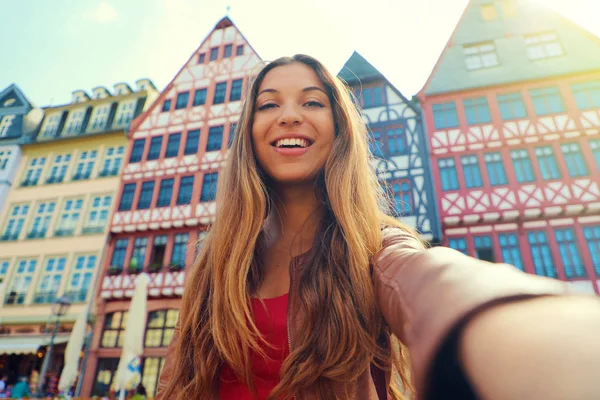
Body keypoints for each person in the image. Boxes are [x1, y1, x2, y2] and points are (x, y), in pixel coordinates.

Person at [156, 54, 600, 400]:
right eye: (268, 104)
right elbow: (175, 381)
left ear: (340, 129)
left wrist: (504, 318)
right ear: (248, 132)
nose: (289, 115)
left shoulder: (373, 244)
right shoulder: (214, 257)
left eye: (312, 102)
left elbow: (431, 282)